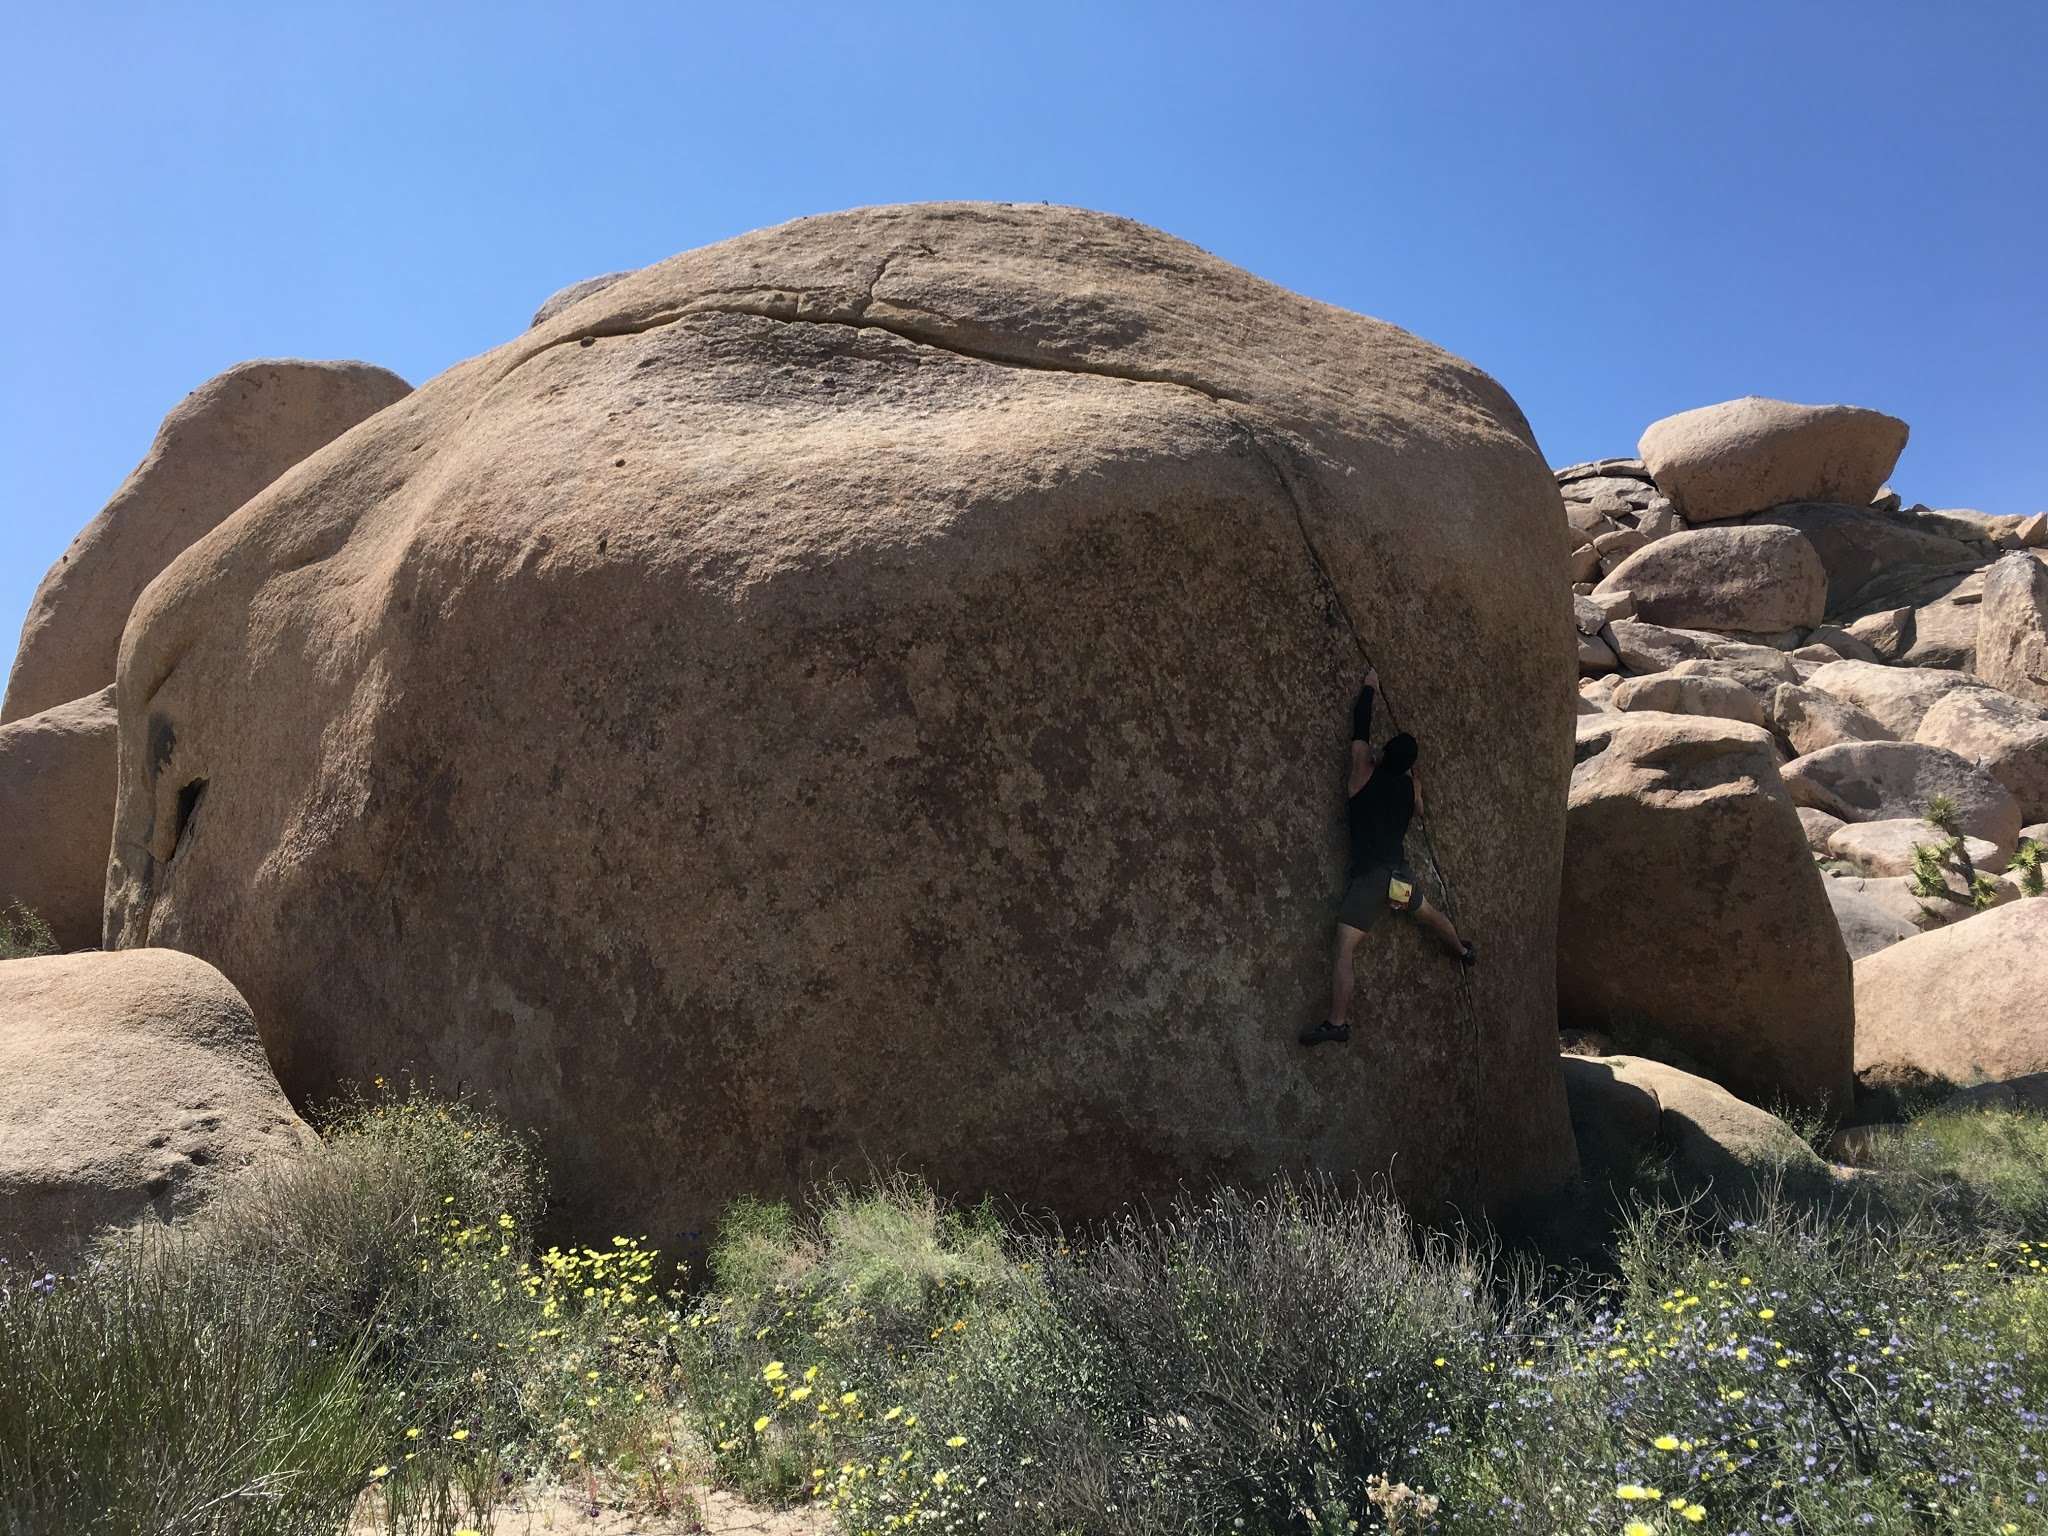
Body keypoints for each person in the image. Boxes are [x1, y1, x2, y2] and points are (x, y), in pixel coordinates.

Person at [1300, 667, 1474, 1047]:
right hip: (1399, 877)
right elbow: (1421, 810)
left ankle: (1337, 1023)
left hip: (1372, 880)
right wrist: (1414, 782)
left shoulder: (1362, 773)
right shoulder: (1409, 792)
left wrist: (1369, 688)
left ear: (1382, 756)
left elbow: (1359, 729)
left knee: (1344, 948)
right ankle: (1462, 949)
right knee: (1428, 913)